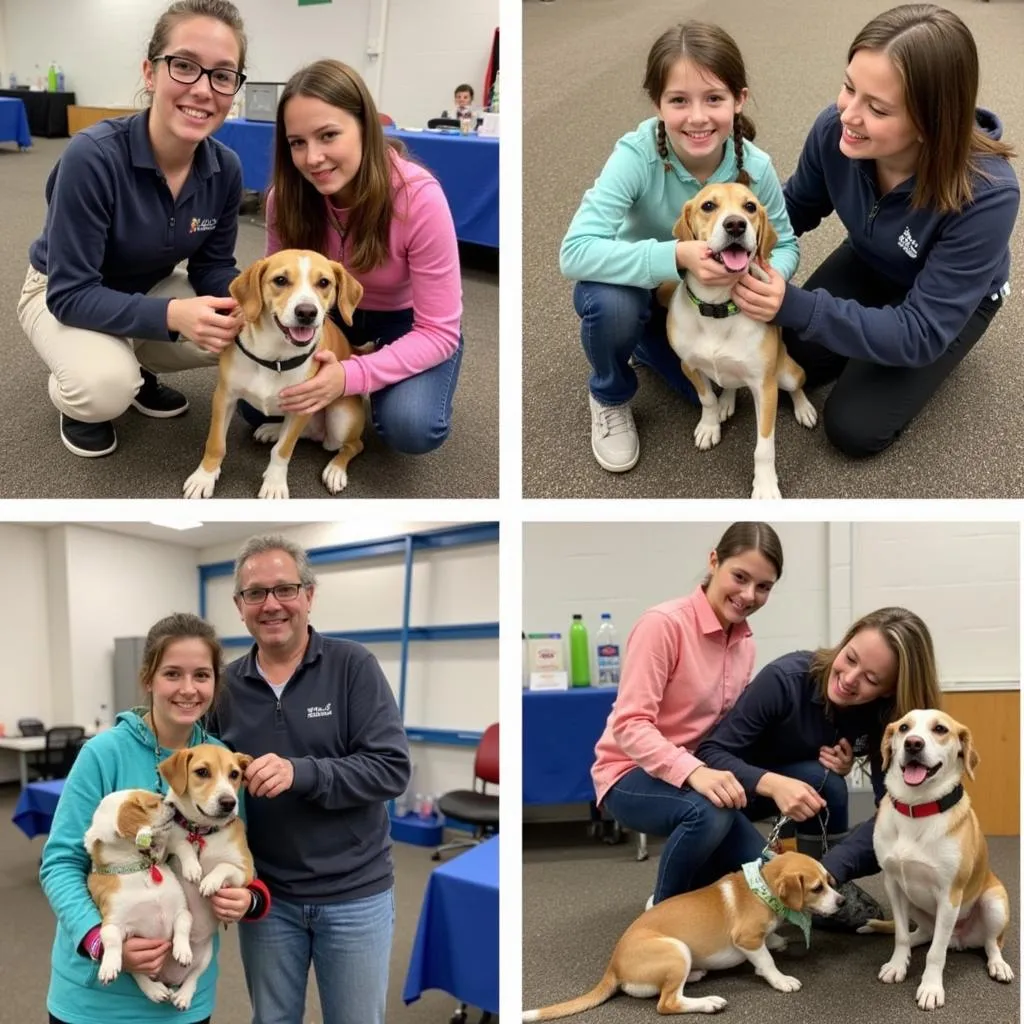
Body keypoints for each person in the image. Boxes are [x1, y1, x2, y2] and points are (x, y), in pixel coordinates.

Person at [732, 4, 1019, 458]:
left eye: (878, 108)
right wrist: (733, 241)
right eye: (849, 87)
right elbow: (794, 209)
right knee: (794, 352)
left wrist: (799, 305)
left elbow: (920, 330)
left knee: (853, 428)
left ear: (930, 122)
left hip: (947, 308)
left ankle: (924, 350)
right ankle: (870, 328)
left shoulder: (988, 195)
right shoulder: (834, 131)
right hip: (873, 259)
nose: (848, 114)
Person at [559, 22, 800, 473]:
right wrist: (675, 256)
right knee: (612, 305)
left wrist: (773, 277)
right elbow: (573, 252)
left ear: (739, 100)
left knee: (715, 391)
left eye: (714, 98)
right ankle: (610, 393)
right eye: (678, 100)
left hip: (710, 301)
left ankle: (650, 342)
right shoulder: (636, 155)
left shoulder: (757, 166)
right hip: (636, 283)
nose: (697, 117)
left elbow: (784, 243)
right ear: (658, 105)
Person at [17, 0, 248, 459]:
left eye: (222, 75)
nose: (204, 89)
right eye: (184, 66)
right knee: (103, 388)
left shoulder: (225, 168)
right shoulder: (93, 156)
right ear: (150, 72)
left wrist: (245, 303)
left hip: (149, 285)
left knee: (243, 331)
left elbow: (213, 265)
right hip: (61, 290)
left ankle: (134, 365)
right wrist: (171, 317)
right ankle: (85, 389)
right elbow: (70, 293)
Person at [207, 534, 412, 1024]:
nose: (271, 604)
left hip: (355, 894)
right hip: (267, 895)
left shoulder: (352, 665)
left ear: (309, 595)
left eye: (285, 589)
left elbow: (391, 768)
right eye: (255, 593)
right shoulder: (225, 686)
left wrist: (300, 772)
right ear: (239, 607)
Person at [40, 612, 270, 1024]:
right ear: (148, 678)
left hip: (181, 998)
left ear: (215, 684)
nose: (187, 689)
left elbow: (239, 856)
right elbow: (59, 863)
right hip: (97, 998)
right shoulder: (102, 754)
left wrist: (248, 899)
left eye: (202, 675)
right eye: (172, 674)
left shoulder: (223, 763)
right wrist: (98, 940)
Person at [244, 59, 463, 456]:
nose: (312, 158)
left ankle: (370, 387)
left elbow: (440, 331)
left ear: (366, 127)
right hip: (323, 316)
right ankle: (352, 386)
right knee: (255, 407)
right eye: (297, 142)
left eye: (328, 135)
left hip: (405, 322)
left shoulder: (419, 198)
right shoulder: (285, 199)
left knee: (411, 426)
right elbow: (275, 291)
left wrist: (350, 375)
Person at [694, 606, 944, 929]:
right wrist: (772, 783)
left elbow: (895, 811)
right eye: (850, 658)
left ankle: (821, 887)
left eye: (871, 679)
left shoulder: (893, 719)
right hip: (733, 797)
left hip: (802, 790)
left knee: (826, 781)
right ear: (845, 641)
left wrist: (828, 871)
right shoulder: (784, 679)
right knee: (735, 901)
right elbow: (710, 753)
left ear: (890, 691)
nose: (849, 680)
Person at [593, 522, 784, 907]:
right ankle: (663, 913)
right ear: (714, 561)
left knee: (769, 880)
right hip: (629, 773)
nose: (749, 595)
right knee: (710, 813)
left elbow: (729, 731)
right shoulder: (663, 625)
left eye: (763, 587)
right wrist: (694, 772)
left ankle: (706, 890)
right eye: (740, 577)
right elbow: (630, 725)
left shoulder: (744, 644)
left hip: (698, 774)